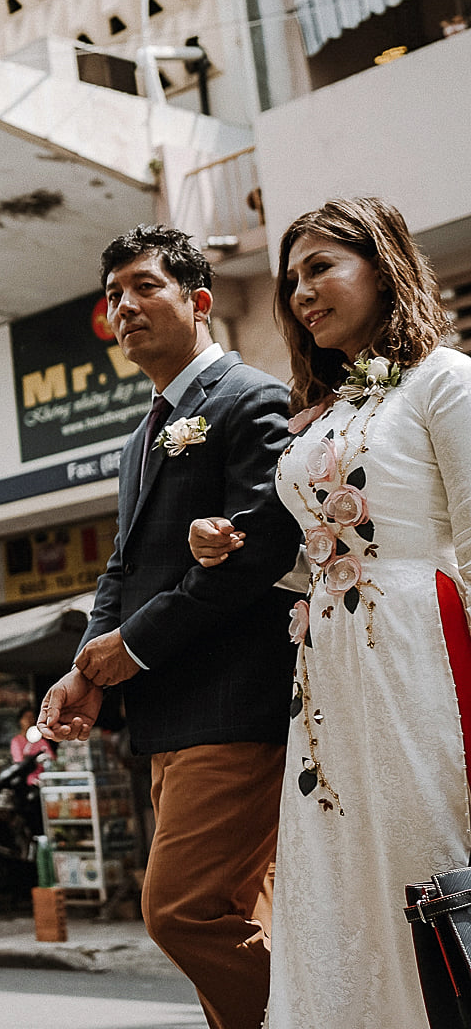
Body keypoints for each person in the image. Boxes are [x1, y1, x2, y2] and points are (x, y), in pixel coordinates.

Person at [186, 197, 471, 1028]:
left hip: (423, 650)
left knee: (432, 855)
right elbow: (322, 557)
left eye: (322, 268)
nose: (302, 293)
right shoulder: (328, 410)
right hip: (332, 667)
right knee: (344, 869)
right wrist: (238, 553)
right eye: (292, 279)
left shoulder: (442, 380)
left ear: (382, 269)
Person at [37, 224, 301, 1029]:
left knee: (182, 912)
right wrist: (87, 666)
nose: (124, 307)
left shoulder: (250, 399)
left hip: (234, 704)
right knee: (232, 909)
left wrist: (136, 645)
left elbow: (260, 555)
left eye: (144, 287)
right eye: (113, 296)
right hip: (166, 718)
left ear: (199, 300)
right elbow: (120, 568)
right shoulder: (139, 437)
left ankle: (327, 1009)